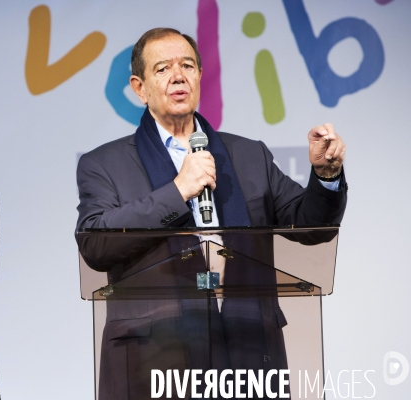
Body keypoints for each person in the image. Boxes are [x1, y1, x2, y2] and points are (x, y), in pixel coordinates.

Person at [76, 28, 347, 399]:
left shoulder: (250, 156)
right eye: (162, 69)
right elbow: (95, 242)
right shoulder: (104, 164)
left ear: (200, 76)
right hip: (154, 360)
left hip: (248, 351)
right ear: (139, 88)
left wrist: (325, 176)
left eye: (187, 65)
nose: (178, 76)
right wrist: (177, 192)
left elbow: (312, 226)